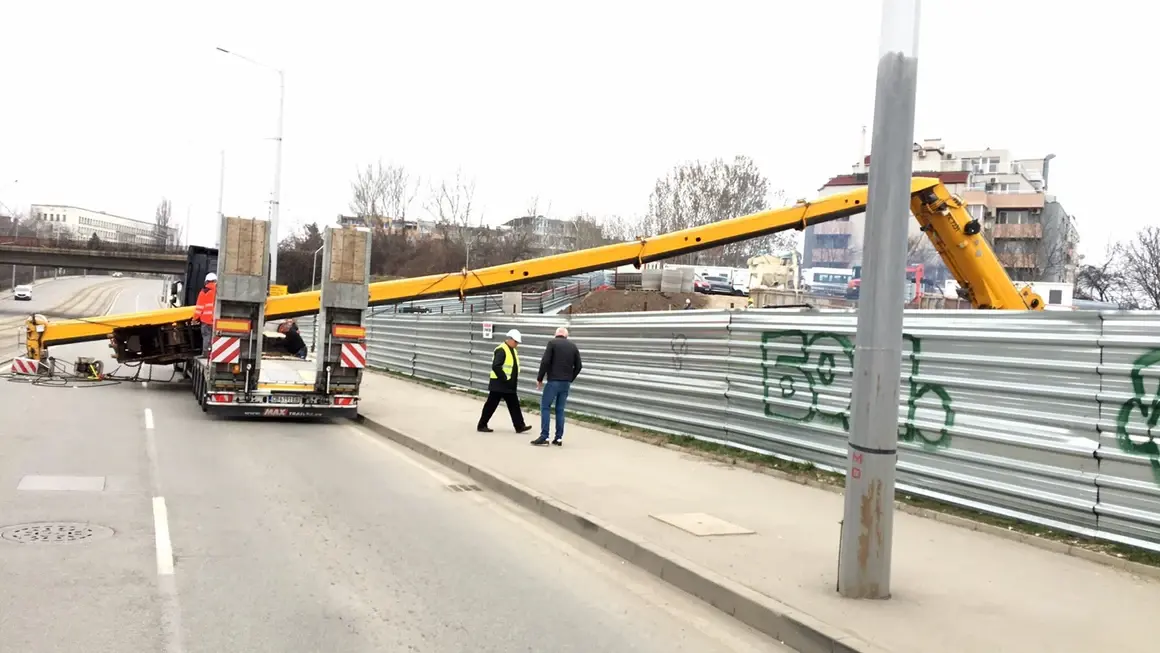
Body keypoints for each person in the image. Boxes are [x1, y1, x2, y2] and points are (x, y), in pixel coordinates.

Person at [532, 326, 582, 446]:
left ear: (556, 335)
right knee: (560, 409)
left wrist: (539, 378)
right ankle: (558, 438)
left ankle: (545, 436)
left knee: (545, 407)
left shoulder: (552, 343)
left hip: (553, 381)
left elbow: (545, 362)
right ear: (566, 335)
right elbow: (579, 366)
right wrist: (570, 378)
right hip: (566, 383)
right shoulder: (573, 346)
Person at [477, 329, 533, 434]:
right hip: (499, 384)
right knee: (491, 405)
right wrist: (505, 378)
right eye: (516, 342)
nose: (517, 344)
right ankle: (482, 425)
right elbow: (496, 366)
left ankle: (519, 426)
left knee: (514, 405)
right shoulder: (501, 349)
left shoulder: (513, 350)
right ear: (510, 339)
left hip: (509, 385)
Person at [191, 272, 217, 354]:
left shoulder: (204, 292)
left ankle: (206, 353)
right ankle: (214, 353)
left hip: (206, 320)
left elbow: (199, 308)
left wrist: (194, 319)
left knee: (206, 336)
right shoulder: (219, 292)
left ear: (206, 282)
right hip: (217, 320)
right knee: (215, 337)